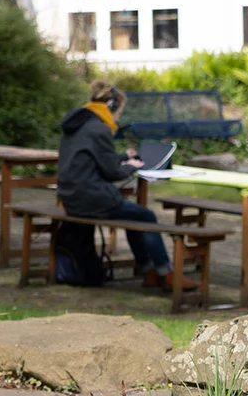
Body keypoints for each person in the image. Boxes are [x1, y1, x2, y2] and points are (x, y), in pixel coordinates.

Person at [56, 80, 171, 288]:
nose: (118, 118)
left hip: (70, 196)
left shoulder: (78, 123)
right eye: (119, 112)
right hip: (91, 199)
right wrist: (132, 166)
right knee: (146, 216)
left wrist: (122, 157)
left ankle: (148, 269)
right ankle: (165, 273)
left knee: (134, 215)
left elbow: (94, 158)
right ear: (110, 106)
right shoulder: (99, 128)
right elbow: (112, 173)